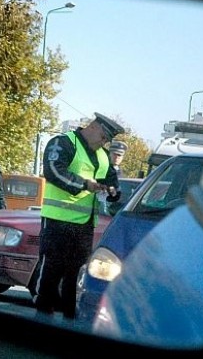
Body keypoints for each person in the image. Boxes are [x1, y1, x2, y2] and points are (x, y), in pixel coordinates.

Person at [32, 112, 124, 320]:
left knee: (76, 274)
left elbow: (112, 180)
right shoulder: (63, 142)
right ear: (92, 127)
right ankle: (42, 316)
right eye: (102, 137)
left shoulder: (102, 155)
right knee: (51, 271)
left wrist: (113, 192)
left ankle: (69, 319)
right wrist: (84, 184)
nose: (103, 143)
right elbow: (53, 170)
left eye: (107, 141)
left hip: (84, 224)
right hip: (57, 220)